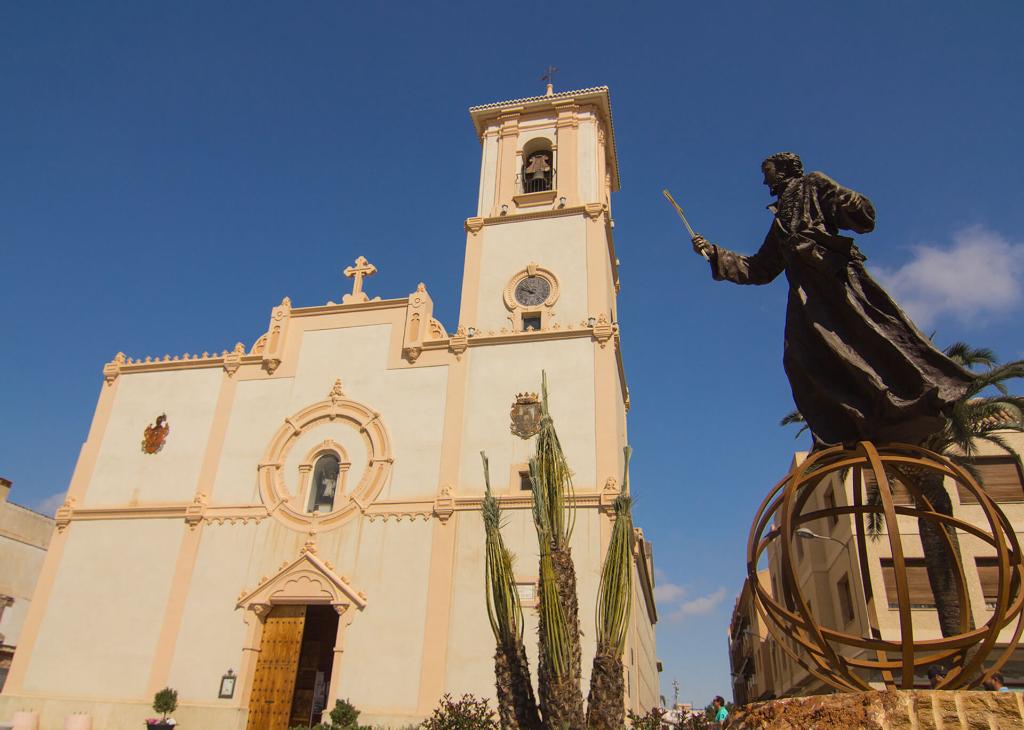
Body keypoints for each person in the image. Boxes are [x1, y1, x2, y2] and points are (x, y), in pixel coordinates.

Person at [691, 152, 973, 448]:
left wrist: (850, 206)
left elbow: (862, 214)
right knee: (799, 358)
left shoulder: (814, 184)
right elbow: (760, 268)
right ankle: (844, 429)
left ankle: (913, 398)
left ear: (786, 169)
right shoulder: (780, 221)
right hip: (805, 293)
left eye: (769, 172)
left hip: (833, 279)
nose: (765, 179)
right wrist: (713, 252)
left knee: (865, 335)